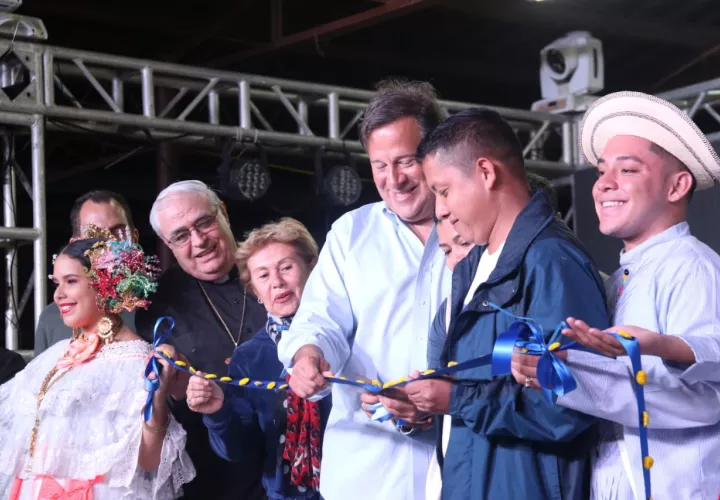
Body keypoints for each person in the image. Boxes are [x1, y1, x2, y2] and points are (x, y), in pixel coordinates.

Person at [512, 91, 720, 499]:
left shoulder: (692, 266)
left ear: (677, 185)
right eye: (602, 170)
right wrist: (553, 369)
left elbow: (708, 397)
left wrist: (660, 345)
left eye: (627, 170)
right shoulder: (618, 279)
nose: (604, 184)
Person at [405, 108, 606, 500]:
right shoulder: (471, 270)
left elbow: (570, 405)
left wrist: (456, 398)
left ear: (485, 172)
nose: (440, 210)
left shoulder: (551, 261)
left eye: (444, 191)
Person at [278, 80, 450, 500]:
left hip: (455, 468)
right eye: (379, 165)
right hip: (366, 474)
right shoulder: (351, 233)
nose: (394, 180)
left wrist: (442, 402)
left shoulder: (476, 232)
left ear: (438, 153)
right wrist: (308, 355)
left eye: (406, 161)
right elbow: (319, 320)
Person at [0, 225, 194, 499]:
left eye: (71, 281)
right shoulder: (55, 355)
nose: (58, 295)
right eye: (56, 283)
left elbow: (149, 462)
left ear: (105, 284)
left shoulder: (136, 360)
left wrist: (158, 395)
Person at [136, 180, 267, 500]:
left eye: (204, 222)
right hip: (216, 481)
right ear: (168, 244)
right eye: (181, 236)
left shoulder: (274, 267)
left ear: (223, 213)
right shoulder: (158, 306)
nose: (198, 241)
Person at [186, 218, 331, 500]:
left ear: (313, 269)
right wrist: (218, 413)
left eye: (286, 268)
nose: (276, 282)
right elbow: (239, 451)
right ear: (255, 292)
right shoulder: (248, 356)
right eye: (263, 275)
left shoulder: (347, 336)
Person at [34, 190, 138, 356]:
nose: (108, 243)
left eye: (118, 232)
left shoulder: (164, 301)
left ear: (134, 238)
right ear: (74, 246)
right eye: (93, 236)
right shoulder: (53, 317)